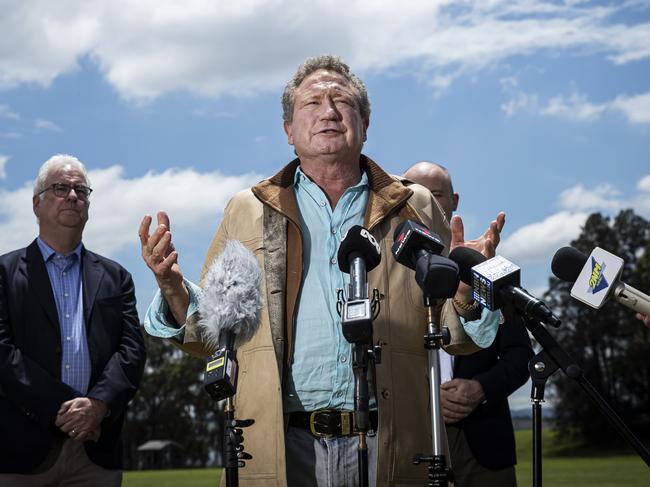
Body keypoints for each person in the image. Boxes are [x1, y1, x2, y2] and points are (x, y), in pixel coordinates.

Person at [141, 56, 503, 486]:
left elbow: (453, 335)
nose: (328, 111)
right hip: (279, 446)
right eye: (312, 103)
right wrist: (172, 287)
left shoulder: (417, 205)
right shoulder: (246, 210)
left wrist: (464, 292)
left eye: (341, 101)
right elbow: (212, 333)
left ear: (365, 125)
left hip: (394, 443)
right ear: (289, 131)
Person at [0, 154, 146, 486]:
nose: (73, 196)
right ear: (37, 204)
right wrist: (65, 410)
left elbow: (132, 351)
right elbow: (3, 354)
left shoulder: (116, 276)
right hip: (22, 453)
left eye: (81, 190)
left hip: (95, 451)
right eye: (61, 187)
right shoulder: (4, 274)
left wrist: (98, 405)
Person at [404, 161, 533, 487]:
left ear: (454, 200)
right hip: (410, 439)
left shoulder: (488, 264)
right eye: (413, 194)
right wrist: (426, 395)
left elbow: (521, 357)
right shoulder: (386, 273)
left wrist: (481, 389)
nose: (426, 203)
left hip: (485, 443)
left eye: (435, 194)